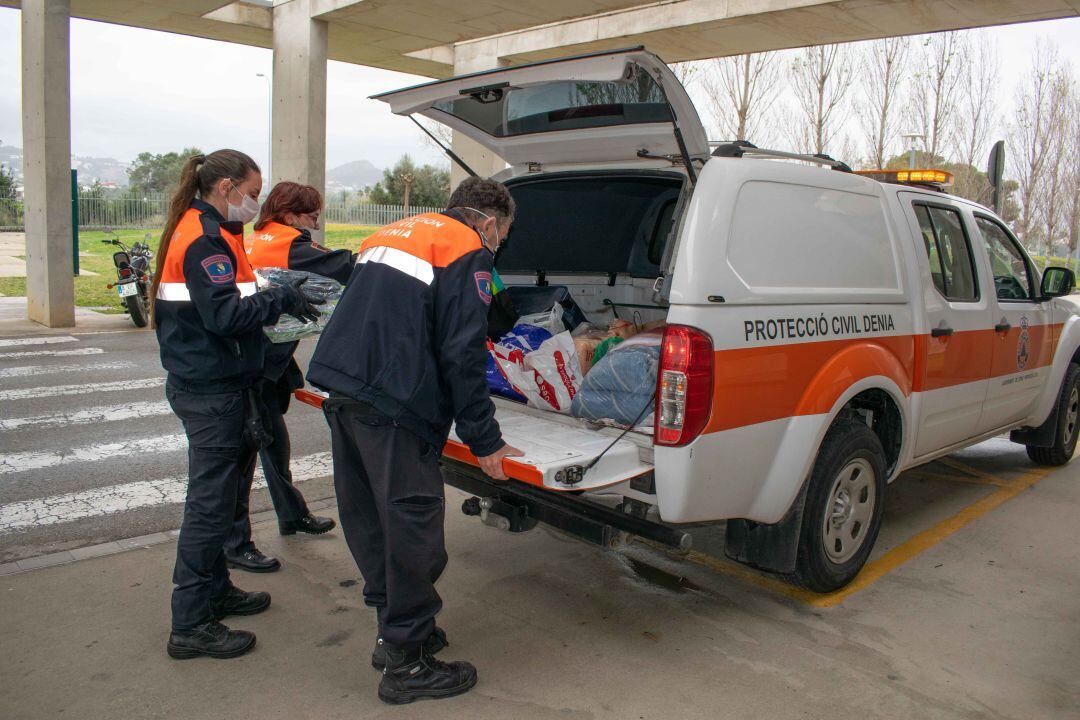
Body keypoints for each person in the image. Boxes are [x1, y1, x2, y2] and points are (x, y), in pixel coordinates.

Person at [307, 177, 523, 704]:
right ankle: (406, 666)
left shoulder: (392, 232)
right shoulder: (465, 250)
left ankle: (397, 633)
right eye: (503, 235)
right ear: (489, 222)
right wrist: (485, 440)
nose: (498, 244)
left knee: (372, 522)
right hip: (395, 407)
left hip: (346, 392)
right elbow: (462, 355)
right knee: (413, 533)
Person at [153, 150, 322, 660]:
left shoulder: (209, 230)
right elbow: (225, 316)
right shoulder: (205, 238)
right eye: (252, 192)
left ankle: (215, 590)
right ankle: (191, 624)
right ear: (225, 188)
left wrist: (269, 290)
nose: (254, 202)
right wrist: (281, 299)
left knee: (224, 499)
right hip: (212, 390)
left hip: (218, 382)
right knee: (209, 507)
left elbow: (225, 298)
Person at [223, 182, 353, 572]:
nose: (316, 220)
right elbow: (346, 265)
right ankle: (235, 543)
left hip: (263, 358)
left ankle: (291, 512)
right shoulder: (288, 243)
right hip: (255, 364)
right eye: (312, 213)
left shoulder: (259, 236)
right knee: (245, 453)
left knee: (272, 440)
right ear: (292, 212)